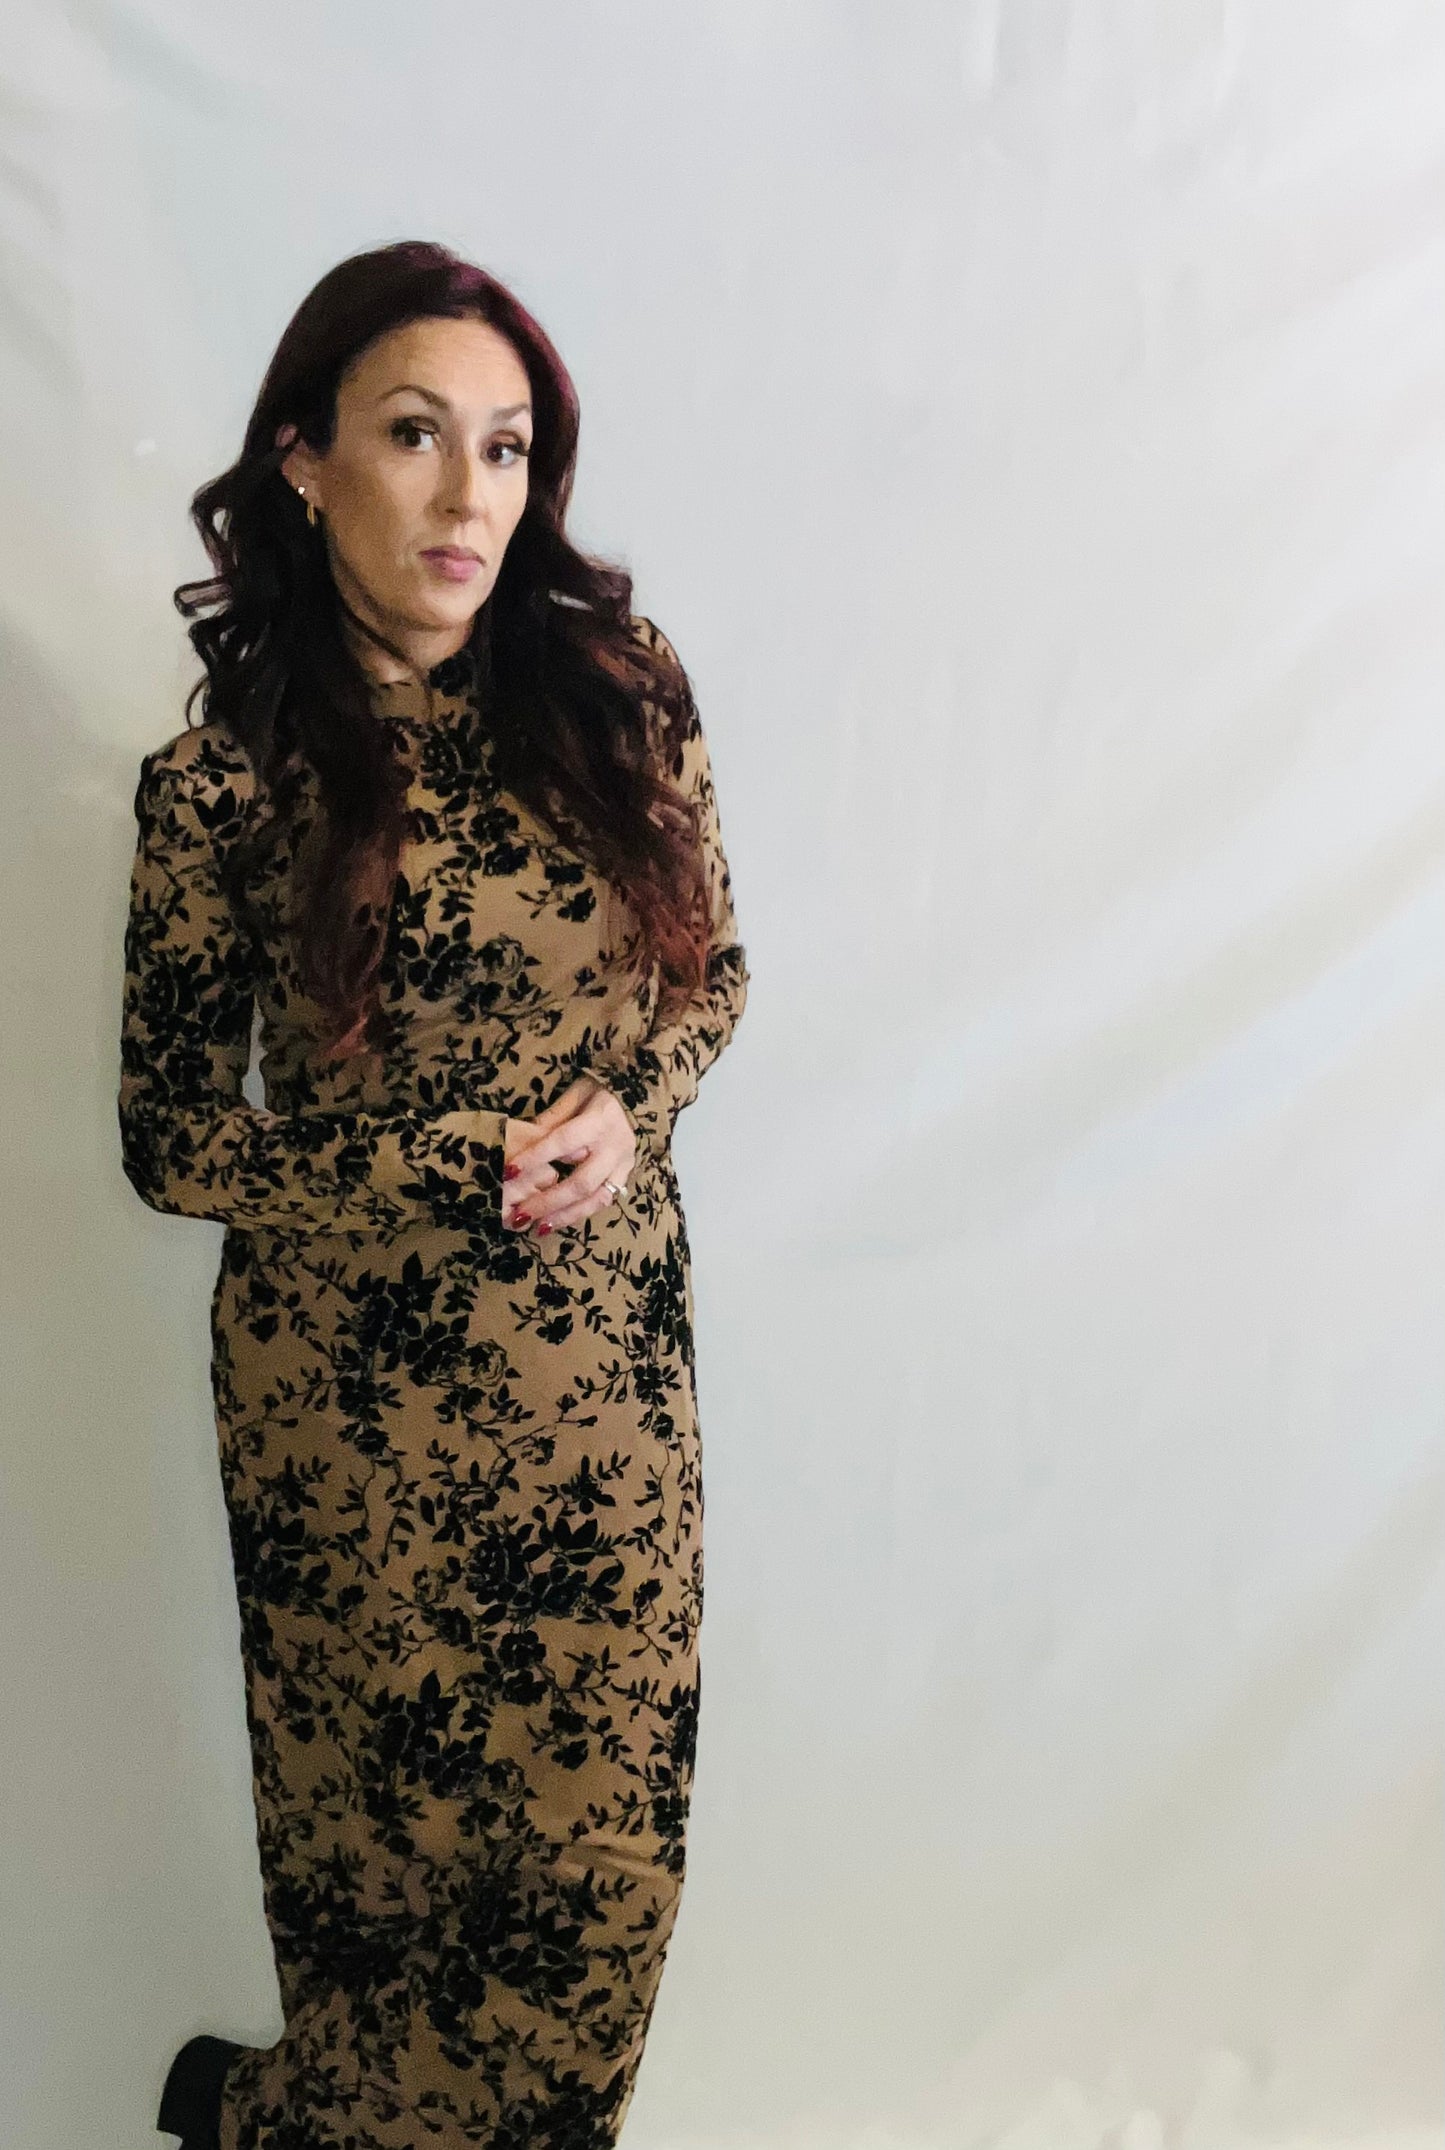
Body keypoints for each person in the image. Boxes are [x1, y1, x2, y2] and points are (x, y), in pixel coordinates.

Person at [119, 239, 749, 2150]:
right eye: (416, 435)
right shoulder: (222, 787)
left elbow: (709, 976)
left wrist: (630, 1108)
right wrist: (439, 1160)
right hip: (344, 1429)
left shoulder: (617, 697)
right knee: (384, 1908)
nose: (471, 493)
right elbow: (172, 1139)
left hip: (604, 1408)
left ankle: (250, 2121)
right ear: (306, 463)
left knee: (592, 1898)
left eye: (506, 446)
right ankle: (280, 2115)